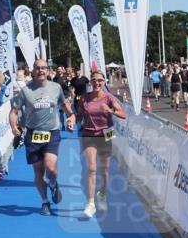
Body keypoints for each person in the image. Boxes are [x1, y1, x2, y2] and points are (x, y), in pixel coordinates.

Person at [9, 59, 77, 215]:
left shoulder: (56, 88)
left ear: (48, 70)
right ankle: (45, 202)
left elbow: (64, 104)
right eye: (37, 68)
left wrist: (72, 116)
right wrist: (14, 127)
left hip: (52, 132)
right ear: (33, 70)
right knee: (38, 172)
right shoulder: (26, 91)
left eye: (43, 68)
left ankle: (53, 183)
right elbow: (13, 112)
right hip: (33, 134)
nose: (41, 70)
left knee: (51, 167)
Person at [76, 71, 127, 218]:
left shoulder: (109, 97)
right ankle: (91, 204)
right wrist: (73, 120)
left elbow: (123, 114)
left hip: (105, 135)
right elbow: (79, 115)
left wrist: (110, 110)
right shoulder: (84, 98)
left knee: (104, 170)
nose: (97, 83)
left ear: (104, 82)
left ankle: (103, 192)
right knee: (92, 169)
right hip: (89, 135)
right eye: (94, 80)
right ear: (90, 82)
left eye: (100, 80)